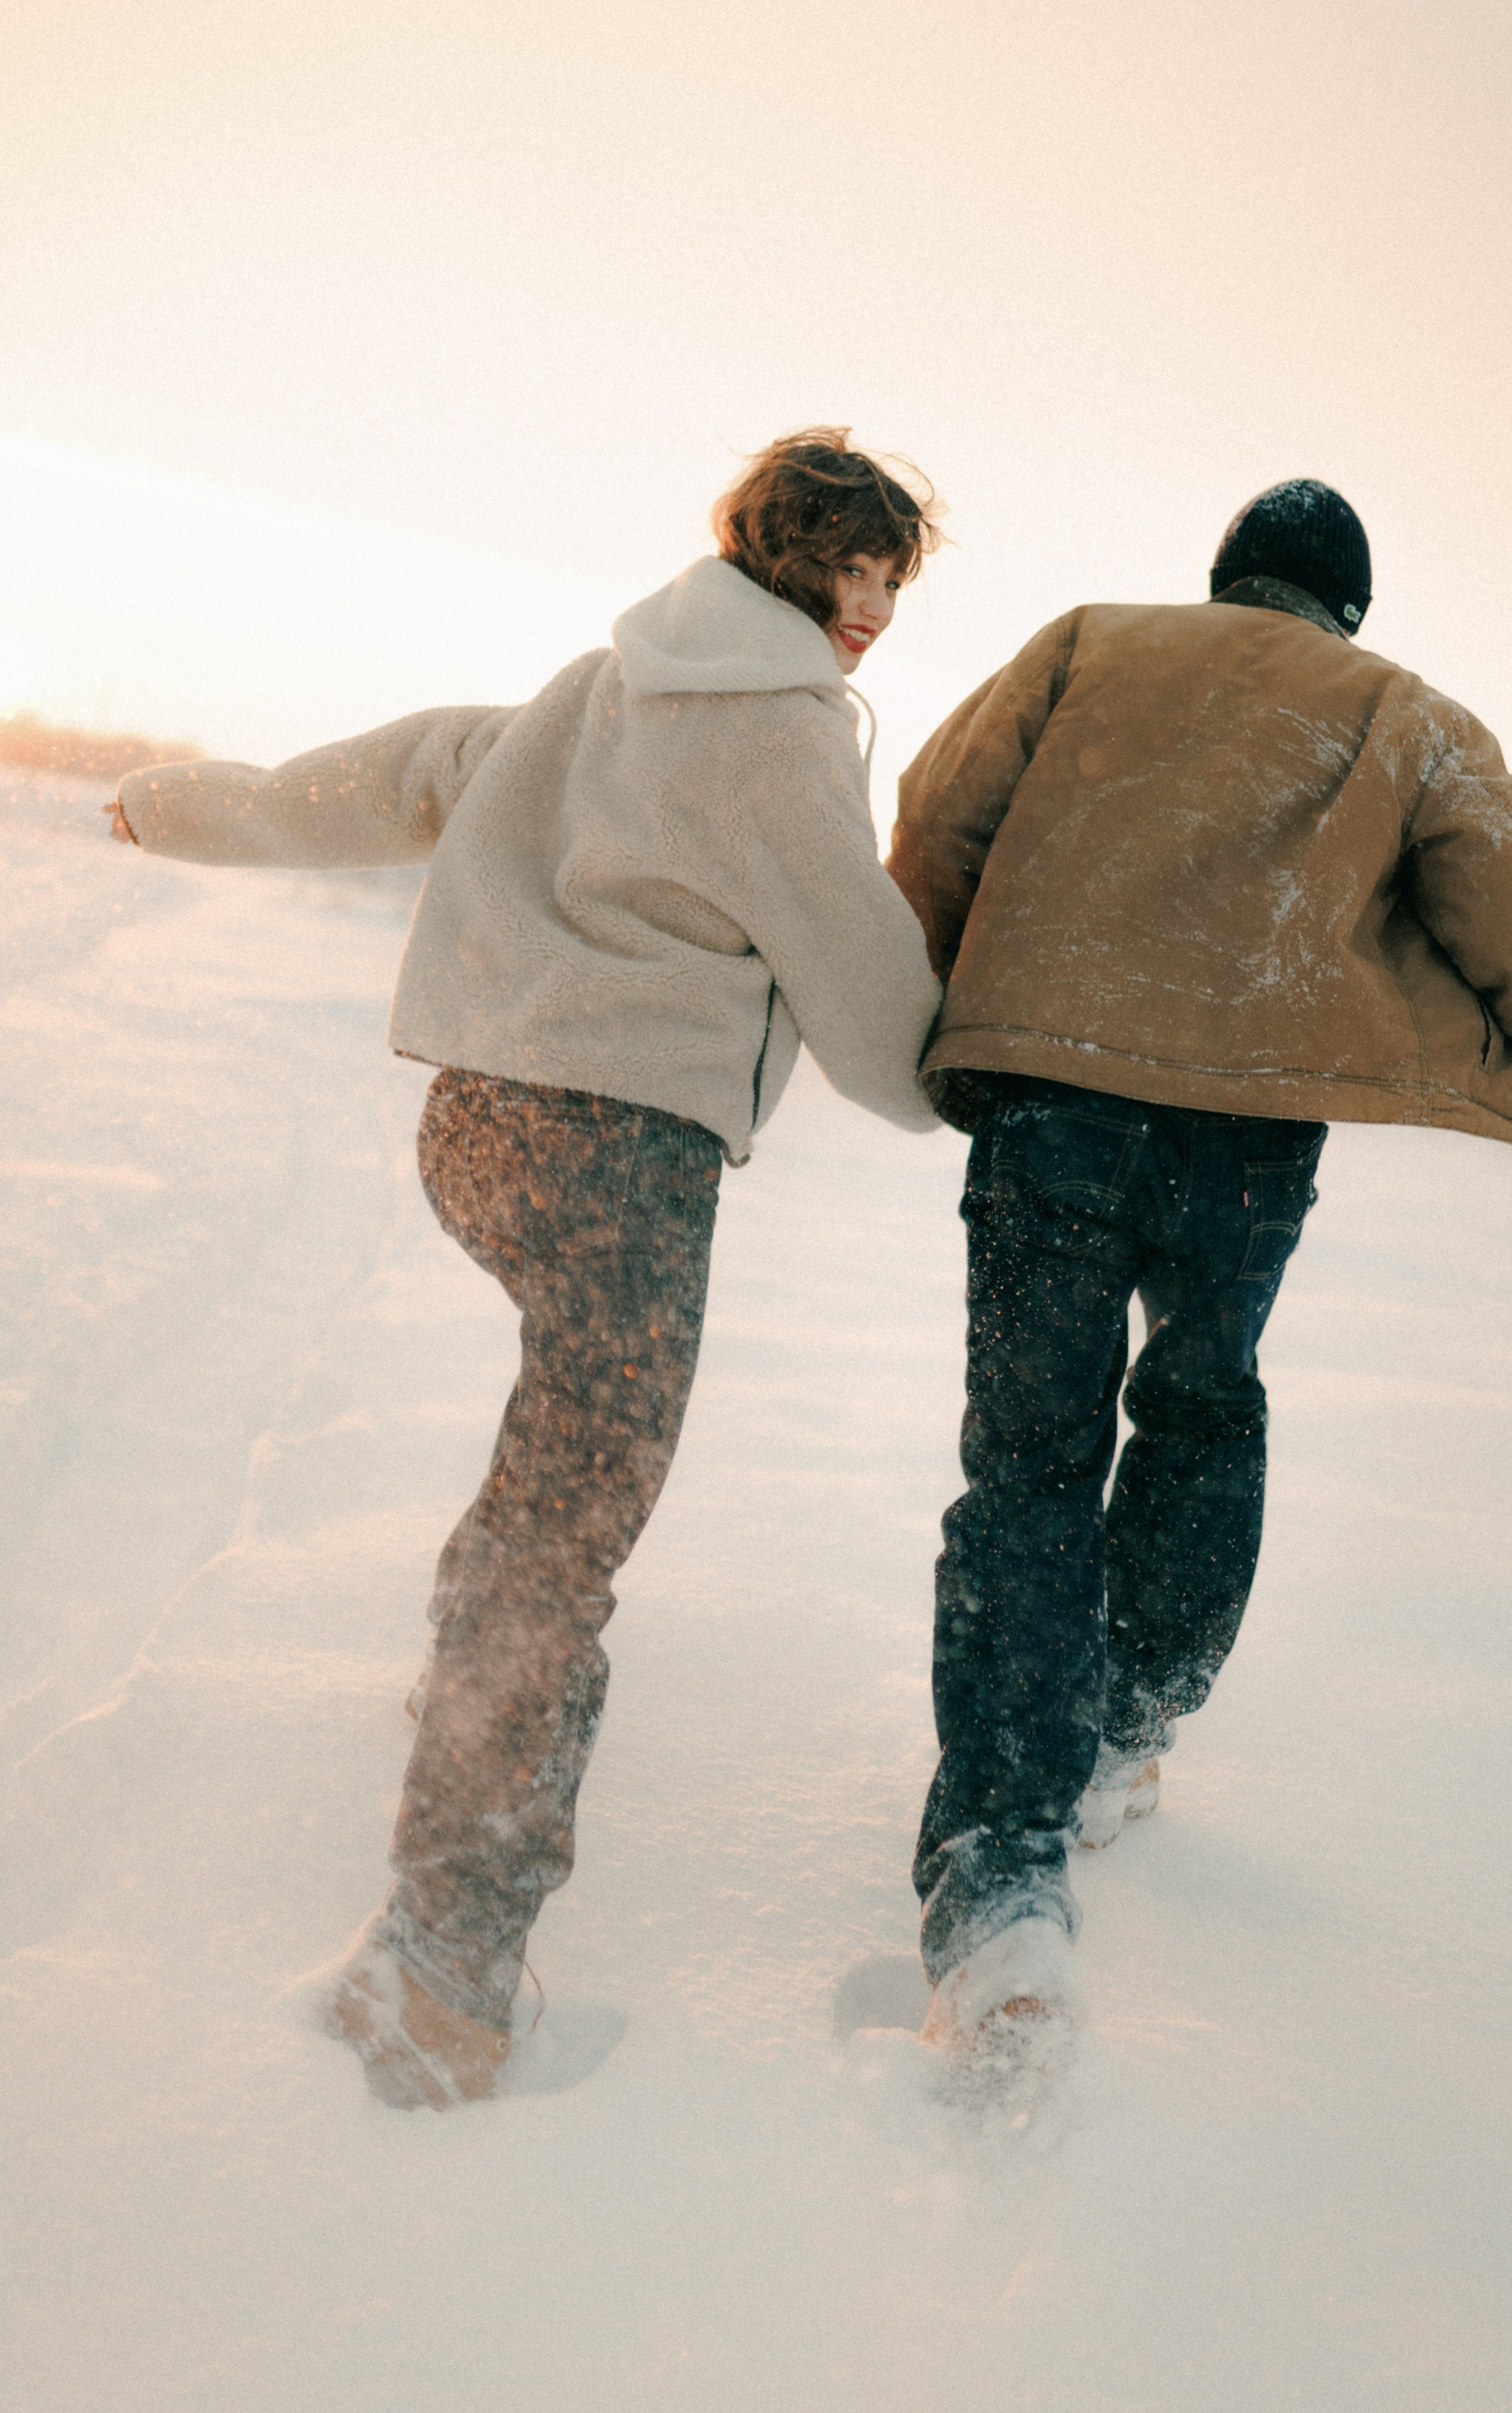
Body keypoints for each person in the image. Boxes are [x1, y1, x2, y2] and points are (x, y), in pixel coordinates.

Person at [107, 429, 944, 2107]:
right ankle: (446, 1959)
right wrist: (957, 1086)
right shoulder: (777, 739)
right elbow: (857, 984)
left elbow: (394, 774)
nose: (875, 613)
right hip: (621, 1163)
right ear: (798, 563)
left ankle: (456, 1665)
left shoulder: (602, 683)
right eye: (862, 575)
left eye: (892, 585)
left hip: (477, 1134)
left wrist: (176, 805)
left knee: (550, 1457)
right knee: (565, 1542)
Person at [885, 479, 1512, 2062]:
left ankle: (999, 1880)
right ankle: (1122, 1733)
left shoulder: (1091, 643)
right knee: (1201, 1403)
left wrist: (957, 995)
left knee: (1025, 1461)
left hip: (1051, 1097)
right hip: (1245, 1133)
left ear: (1225, 577)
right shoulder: (1400, 714)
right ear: (1343, 607)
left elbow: (940, 824)